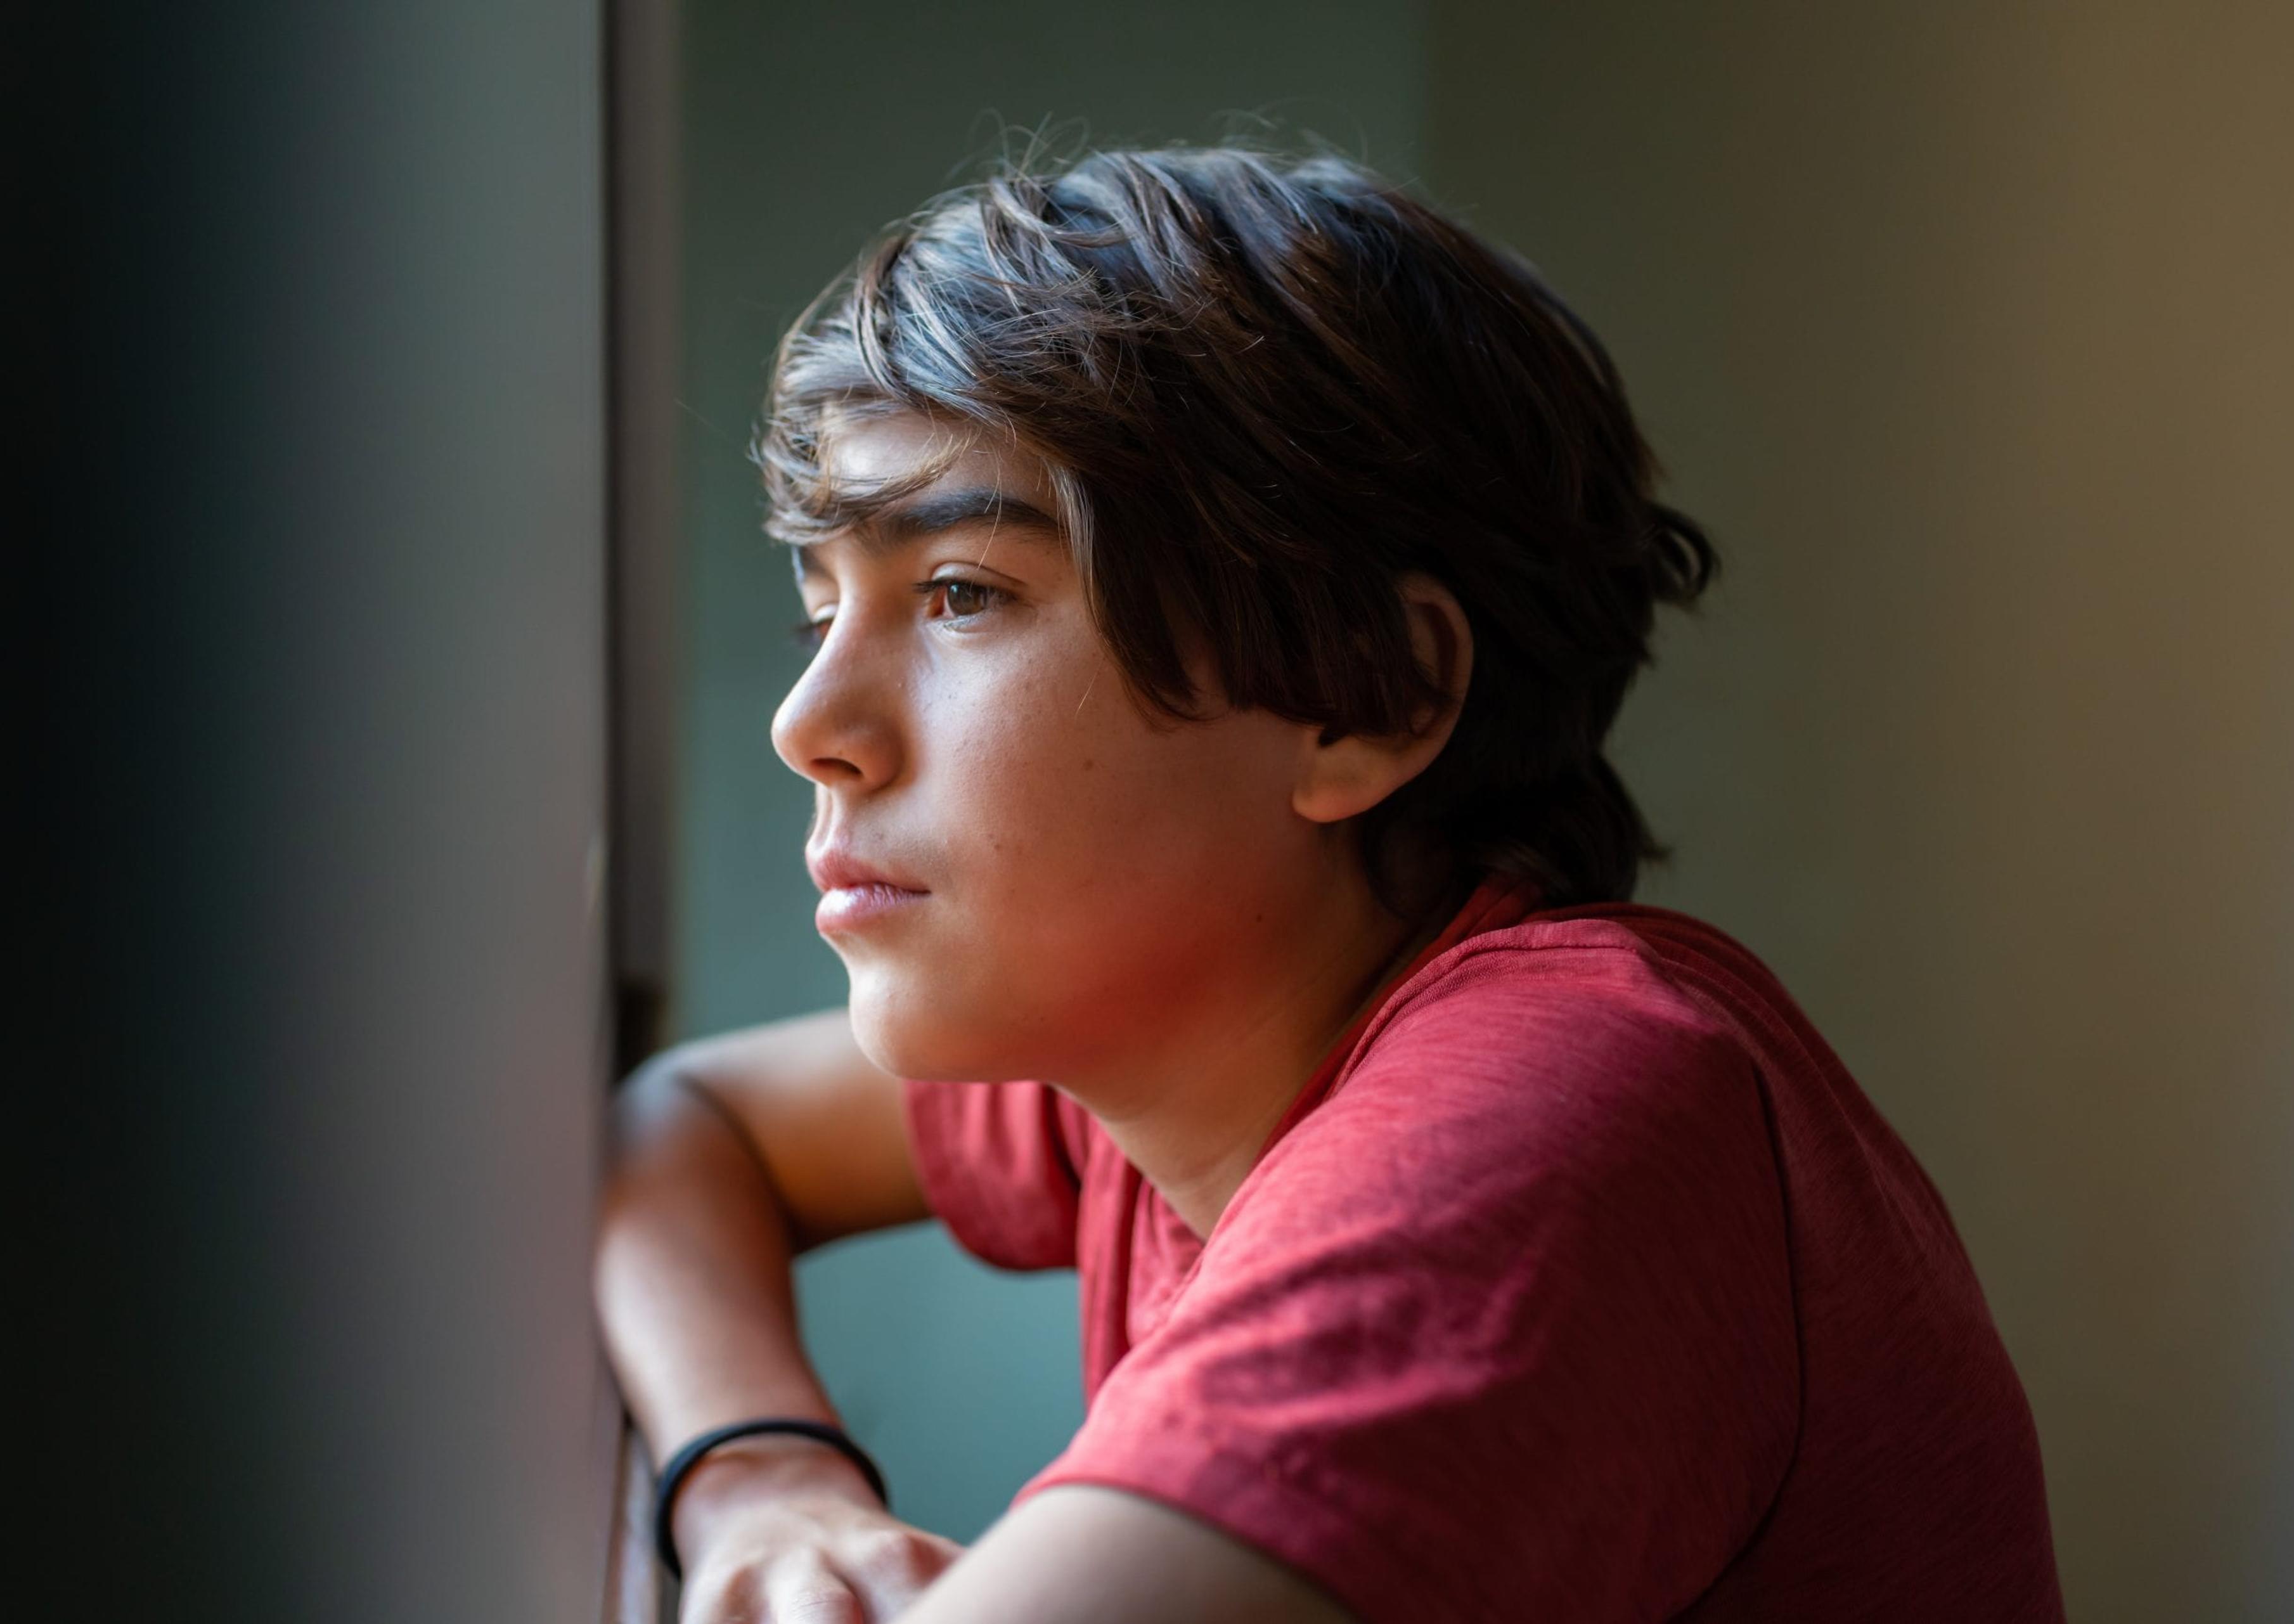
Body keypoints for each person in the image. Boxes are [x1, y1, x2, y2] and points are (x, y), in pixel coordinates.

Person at [593, 142, 2065, 1624]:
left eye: (962, 594)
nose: (809, 729)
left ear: (1372, 695)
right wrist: (763, 1478)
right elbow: (687, 1129)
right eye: (820, 614)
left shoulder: (1558, 1115)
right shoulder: (1188, 1038)